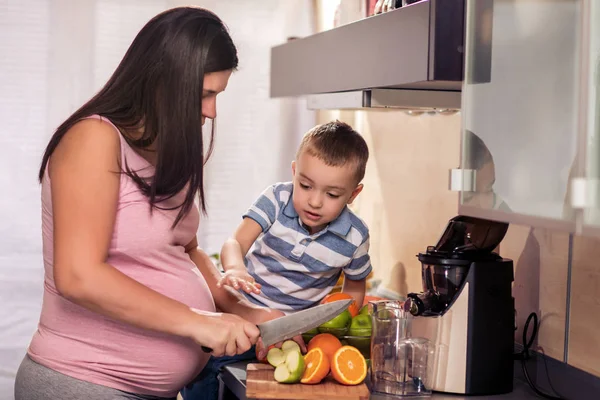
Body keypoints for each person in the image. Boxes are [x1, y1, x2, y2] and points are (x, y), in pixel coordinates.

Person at [14, 7, 287, 400]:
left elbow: (186, 250)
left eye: (217, 95)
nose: (211, 111)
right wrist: (200, 323)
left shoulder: (167, 151)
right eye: (205, 94)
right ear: (163, 80)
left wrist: (242, 312)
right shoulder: (93, 138)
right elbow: (77, 276)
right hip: (81, 384)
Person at [182, 120, 372, 400]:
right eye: (305, 186)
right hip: (242, 316)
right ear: (294, 172)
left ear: (354, 193)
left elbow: (354, 287)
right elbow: (235, 242)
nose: (315, 201)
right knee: (205, 371)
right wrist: (236, 268)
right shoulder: (276, 198)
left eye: (332, 194)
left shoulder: (355, 236)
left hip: (292, 334)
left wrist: (342, 324)